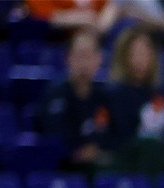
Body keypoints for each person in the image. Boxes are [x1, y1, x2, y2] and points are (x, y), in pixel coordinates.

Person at [103, 24, 164, 175]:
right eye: (135, 53)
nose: (140, 60)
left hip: (159, 154)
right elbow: (117, 137)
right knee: (148, 146)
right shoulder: (114, 94)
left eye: (145, 53)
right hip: (129, 157)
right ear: (123, 57)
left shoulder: (160, 94)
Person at [37, 29, 115, 174]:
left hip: (101, 165)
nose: (84, 62)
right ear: (68, 58)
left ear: (99, 59)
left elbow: (114, 134)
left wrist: (98, 149)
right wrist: (78, 151)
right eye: (80, 55)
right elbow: (53, 135)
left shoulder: (106, 97)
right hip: (63, 167)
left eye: (89, 55)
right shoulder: (55, 95)